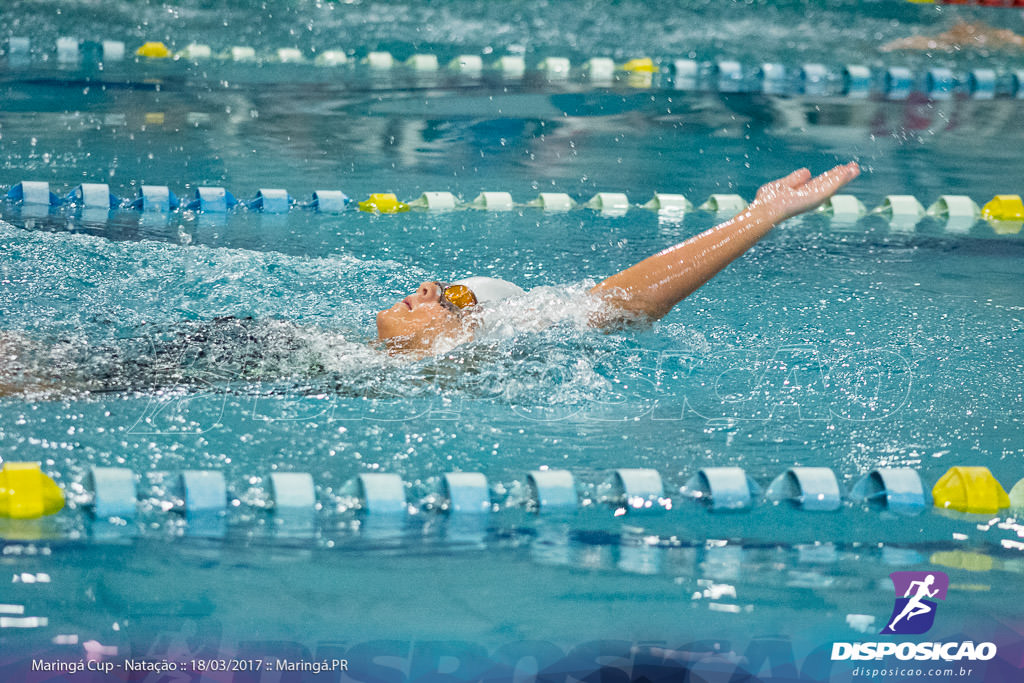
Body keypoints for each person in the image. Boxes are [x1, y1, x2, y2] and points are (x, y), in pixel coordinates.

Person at [375, 162, 860, 355]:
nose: (426, 288)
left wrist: (759, 217)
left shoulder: (463, 364)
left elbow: (628, 301)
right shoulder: (341, 353)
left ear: (483, 332)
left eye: (453, 296)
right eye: (445, 290)